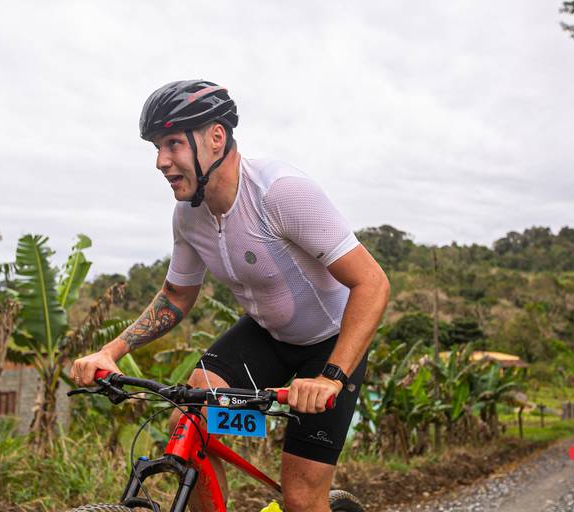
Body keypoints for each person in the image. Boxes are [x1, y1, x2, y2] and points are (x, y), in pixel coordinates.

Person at [71, 80, 389, 512]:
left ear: (216, 137)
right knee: (188, 422)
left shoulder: (280, 193)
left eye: (172, 144)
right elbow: (175, 296)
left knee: (300, 498)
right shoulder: (188, 216)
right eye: (157, 148)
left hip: (330, 344)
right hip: (266, 335)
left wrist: (331, 377)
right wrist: (111, 351)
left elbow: (372, 283)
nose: (161, 161)